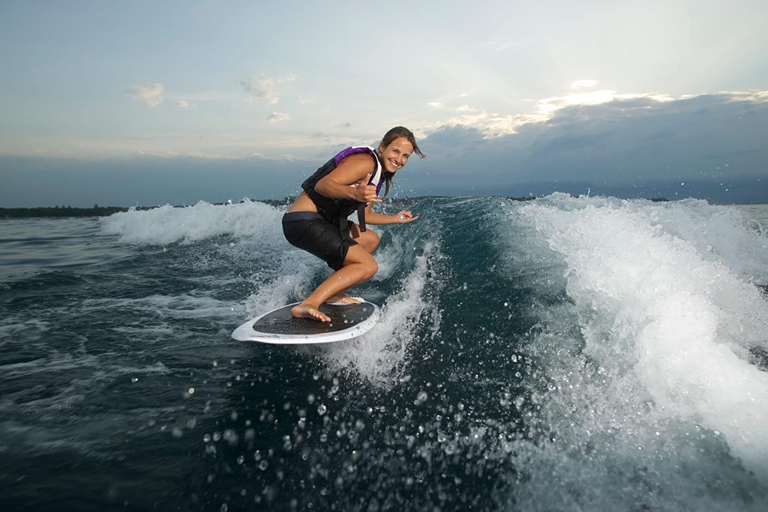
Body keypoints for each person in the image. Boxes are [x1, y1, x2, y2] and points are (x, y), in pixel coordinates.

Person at [282, 126, 425, 322]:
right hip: (302, 221)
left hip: (321, 221)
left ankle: (332, 293)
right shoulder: (365, 162)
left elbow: (365, 216)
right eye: (396, 151)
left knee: (369, 240)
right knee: (367, 266)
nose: (399, 159)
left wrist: (395, 218)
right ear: (382, 147)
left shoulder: (376, 174)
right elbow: (322, 185)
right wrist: (354, 193)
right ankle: (309, 304)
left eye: (405, 156)